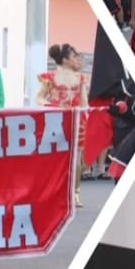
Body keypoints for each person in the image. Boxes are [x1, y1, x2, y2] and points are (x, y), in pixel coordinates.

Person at [37, 43, 89, 206]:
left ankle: (75, 193)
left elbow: (84, 101)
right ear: (65, 60)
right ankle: (52, 191)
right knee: (54, 156)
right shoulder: (50, 77)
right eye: (75, 57)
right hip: (55, 120)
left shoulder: (80, 79)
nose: (78, 60)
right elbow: (39, 98)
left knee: (77, 158)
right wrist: (51, 106)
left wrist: (86, 114)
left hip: (76, 120)